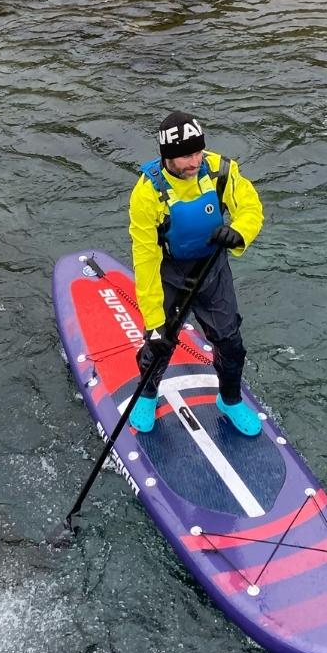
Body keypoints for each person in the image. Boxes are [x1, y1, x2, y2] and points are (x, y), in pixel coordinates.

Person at [127, 110, 264, 436]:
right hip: (169, 272)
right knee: (160, 342)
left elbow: (250, 205)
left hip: (213, 269)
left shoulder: (219, 170)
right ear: (167, 156)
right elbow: (145, 260)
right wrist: (154, 322)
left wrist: (240, 232)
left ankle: (229, 400)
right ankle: (147, 393)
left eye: (198, 151)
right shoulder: (146, 194)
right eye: (185, 155)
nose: (194, 161)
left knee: (230, 342)